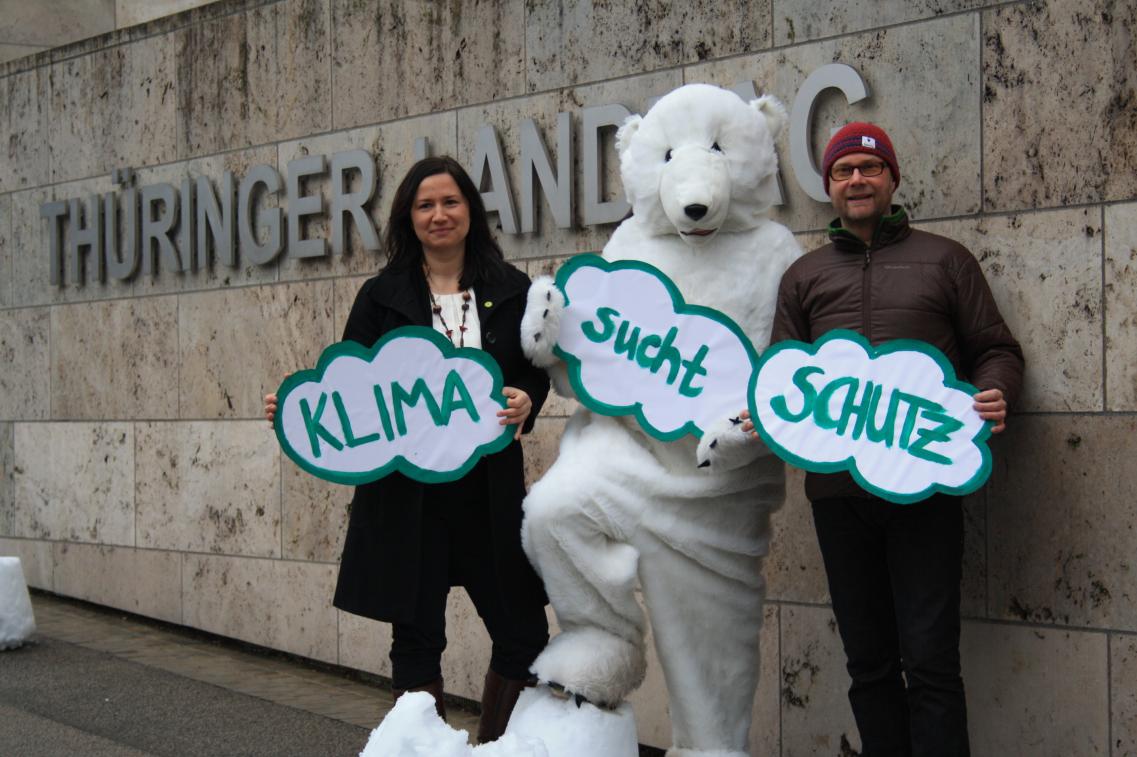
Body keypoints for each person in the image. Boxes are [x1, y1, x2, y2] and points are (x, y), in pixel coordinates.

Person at [748, 123, 1024, 756]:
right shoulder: (804, 276)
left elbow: (996, 349)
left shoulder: (947, 259)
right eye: (844, 172)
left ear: (893, 179)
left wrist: (995, 390)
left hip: (925, 491)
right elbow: (782, 374)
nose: (857, 180)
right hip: (838, 496)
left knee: (931, 661)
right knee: (868, 661)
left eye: (870, 169)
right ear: (829, 188)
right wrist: (760, 412)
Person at [264, 156, 550, 743]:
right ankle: (425, 749)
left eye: (450, 202)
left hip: (488, 491)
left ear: (470, 209)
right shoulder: (382, 295)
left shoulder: (512, 288)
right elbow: (350, 384)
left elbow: (535, 372)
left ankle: (497, 748)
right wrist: (299, 411)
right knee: (417, 640)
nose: (439, 215)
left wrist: (527, 399)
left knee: (523, 633)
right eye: (425, 205)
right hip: (408, 496)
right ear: (408, 217)